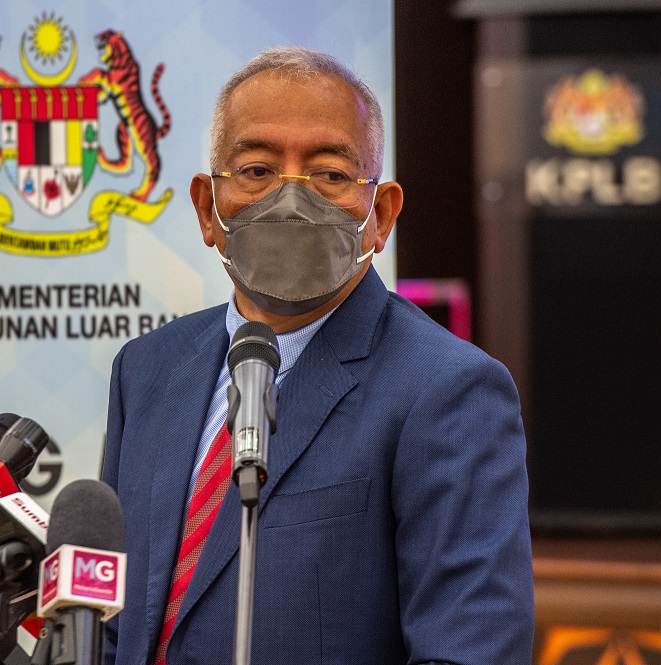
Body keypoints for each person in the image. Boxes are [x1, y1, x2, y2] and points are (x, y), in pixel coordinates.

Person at [102, 46, 534, 664]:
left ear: (380, 216)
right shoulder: (146, 371)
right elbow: (111, 620)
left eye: (331, 174)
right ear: (207, 208)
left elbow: (467, 652)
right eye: (256, 170)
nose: (291, 198)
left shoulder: (449, 389)